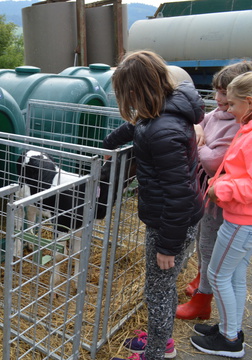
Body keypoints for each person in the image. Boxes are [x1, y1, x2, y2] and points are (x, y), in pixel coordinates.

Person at [102, 50, 205, 360]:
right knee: (163, 287)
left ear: (135, 91)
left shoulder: (163, 131)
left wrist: (167, 246)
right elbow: (137, 127)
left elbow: (179, 193)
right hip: (172, 218)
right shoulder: (165, 110)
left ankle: (158, 352)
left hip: (170, 224)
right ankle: (161, 338)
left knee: (158, 292)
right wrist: (109, 144)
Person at [176, 61, 252, 320]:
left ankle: (203, 303)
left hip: (225, 200)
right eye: (218, 92)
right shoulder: (223, 115)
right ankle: (203, 280)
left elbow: (212, 162)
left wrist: (196, 141)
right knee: (204, 242)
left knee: (211, 249)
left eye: (226, 95)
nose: (219, 99)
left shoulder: (240, 125)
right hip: (211, 193)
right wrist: (198, 130)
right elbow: (199, 122)